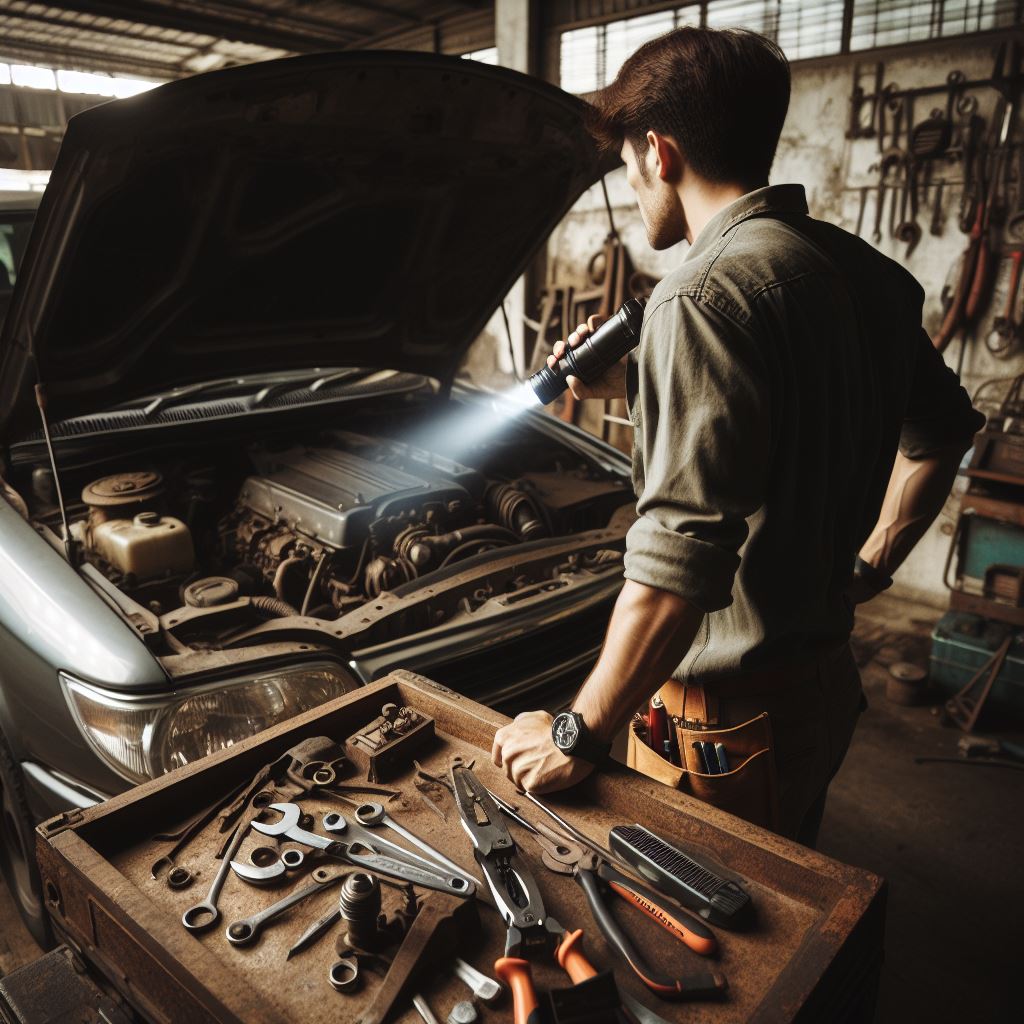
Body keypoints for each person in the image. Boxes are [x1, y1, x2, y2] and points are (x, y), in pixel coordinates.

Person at [491, 26, 983, 847]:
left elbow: (678, 558)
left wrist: (577, 731)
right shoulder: (870, 276)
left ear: (660, 151)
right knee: (782, 911)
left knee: (693, 951)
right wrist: (869, 567)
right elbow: (936, 440)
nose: (633, 179)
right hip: (818, 693)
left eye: (627, 164)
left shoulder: (699, 297)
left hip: (718, 728)